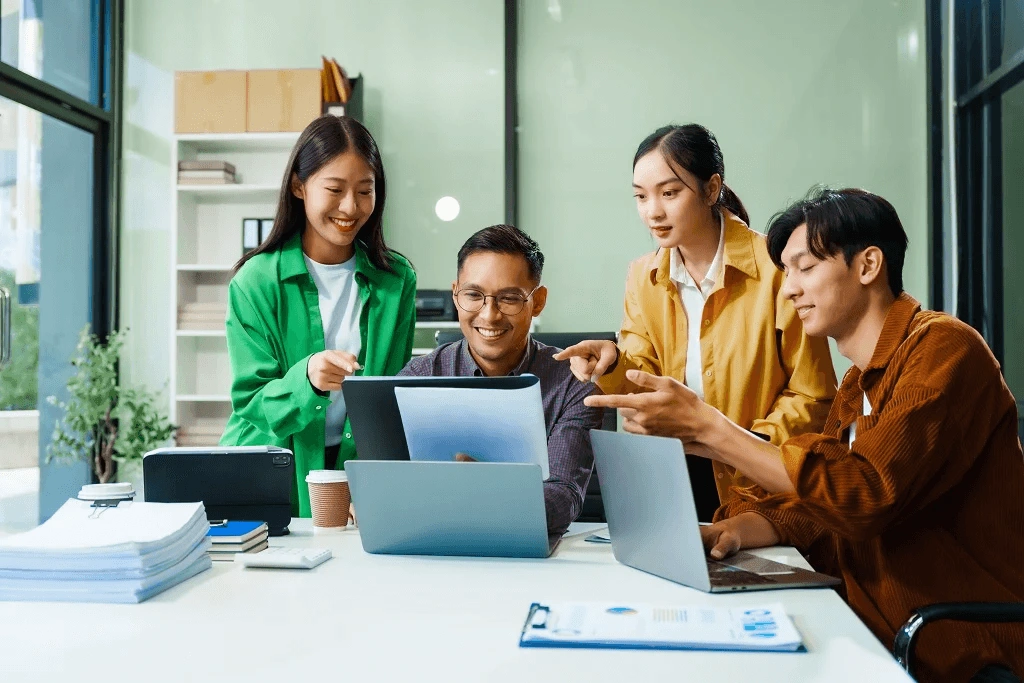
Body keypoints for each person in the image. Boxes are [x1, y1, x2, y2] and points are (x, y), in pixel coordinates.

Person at [586, 188, 1024, 683]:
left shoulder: (944, 348)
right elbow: (821, 506)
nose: (789, 288)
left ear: (868, 265)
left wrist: (711, 427)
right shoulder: (858, 382)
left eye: (805, 268)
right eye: (787, 271)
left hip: (951, 639)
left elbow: (863, 496)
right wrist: (739, 528)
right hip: (873, 623)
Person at [554, 123, 836, 520]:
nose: (653, 211)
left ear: (710, 188)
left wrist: (736, 444)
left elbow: (814, 396)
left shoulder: (775, 267)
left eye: (669, 193)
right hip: (669, 478)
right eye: (640, 196)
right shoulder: (642, 276)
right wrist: (614, 363)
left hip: (757, 482)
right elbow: (643, 380)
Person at [221, 115, 417, 518]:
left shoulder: (396, 281)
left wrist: (380, 480)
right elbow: (251, 401)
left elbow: (394, 392)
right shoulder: (255, 282)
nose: (351, 207)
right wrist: (307, 377)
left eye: (366, 190)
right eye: (334, 189)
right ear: (298, 186)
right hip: (267, 465)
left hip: (354, 467)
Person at [399, 224, 603, 543]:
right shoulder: (417, 378)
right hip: (432, 549)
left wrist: (478, 491)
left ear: (538, 301)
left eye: (509, 298)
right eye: (473, 295)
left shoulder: (574, 383)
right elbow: (393, 489)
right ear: (456, 294)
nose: (490, 315)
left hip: (531, 556)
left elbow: (563, 497)